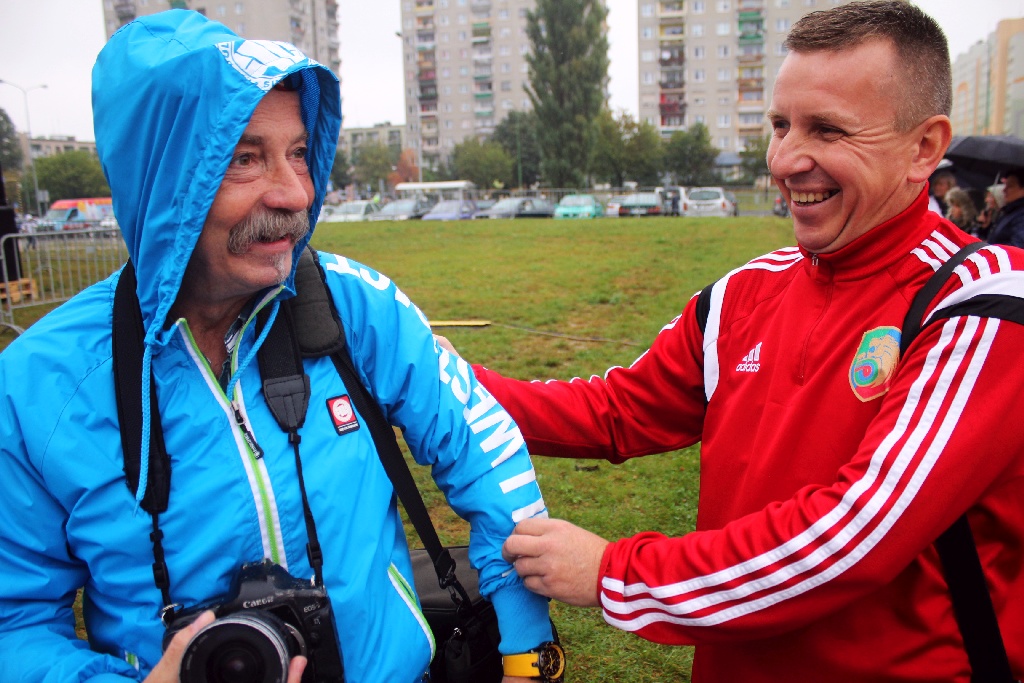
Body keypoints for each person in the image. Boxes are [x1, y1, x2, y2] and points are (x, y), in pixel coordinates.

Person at [454, 2, 1024, 680]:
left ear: (924, 148)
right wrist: (429, 381)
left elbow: (853, 535)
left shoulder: (984, 303)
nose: (785, 160)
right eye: (780, 125)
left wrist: (614, 572)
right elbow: (615, 410)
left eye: (827, 130)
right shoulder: (742, 295)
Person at [0, 11, 555, 682]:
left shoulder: (357, 307)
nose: (296, 193)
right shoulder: (36, 385)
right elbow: (16, 622)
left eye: (298, 152)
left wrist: (526, 645)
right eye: (244, 158)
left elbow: (486, 458)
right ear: (163, 181)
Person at [987, 168, 1024, 248]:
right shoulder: (1010, 211)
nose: (1004, 190)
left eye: (1010, 186)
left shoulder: (1021, 215)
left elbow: (1017, 247)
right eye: (1005, 185)